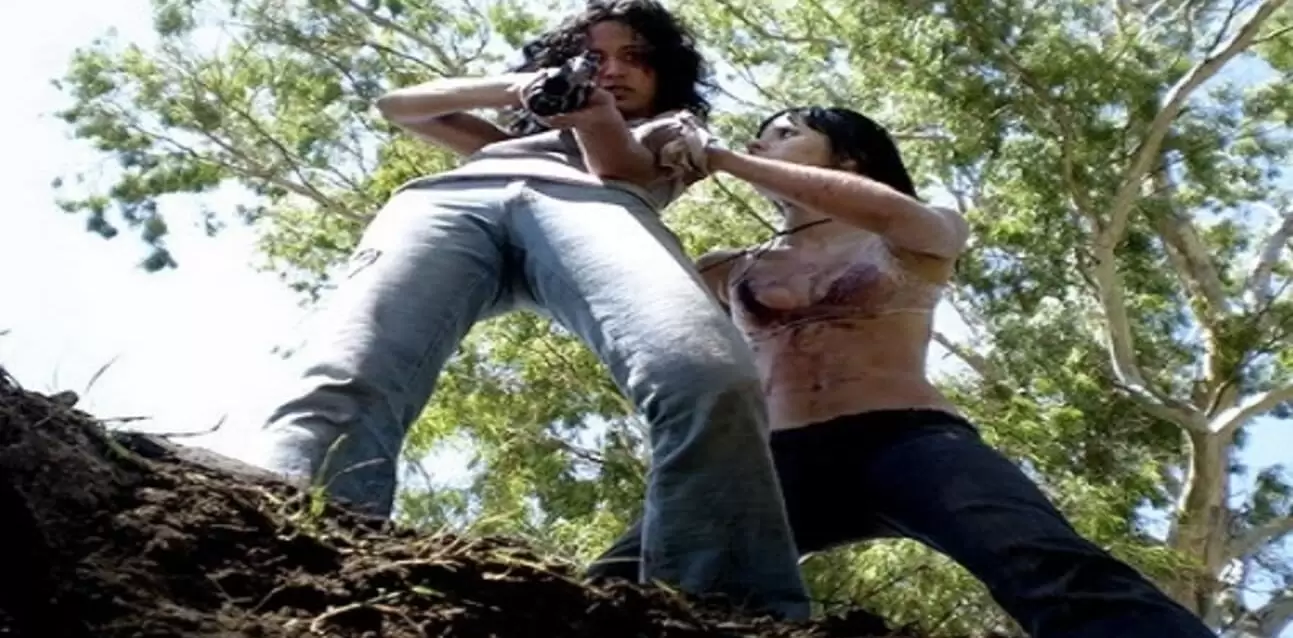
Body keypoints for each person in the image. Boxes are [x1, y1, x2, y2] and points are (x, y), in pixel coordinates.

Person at [227, 0, 810, 621]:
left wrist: (594, 115)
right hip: (448, 205)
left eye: (635, 57)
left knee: (706, 375)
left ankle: (728, 606)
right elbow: (397, 105)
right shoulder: (510, 142)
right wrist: (521, 88)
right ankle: (282, 553)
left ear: (664, 72)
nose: (613, 70)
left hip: (600, 207)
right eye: (594, 58)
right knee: (349, 374)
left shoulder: (673, 131)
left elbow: (621, 169)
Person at [586, 106, 1216, 637]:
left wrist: (722, 157)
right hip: (772, 460)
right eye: (757, 140)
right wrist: (641, 158)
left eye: (784, 134)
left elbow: (891, 213)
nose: (759, 145)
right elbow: (621, 282)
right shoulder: (731, 266)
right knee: (622, 583)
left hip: (909, 440)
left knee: (1046, 564)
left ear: (850, 157)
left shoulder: (913, 231)